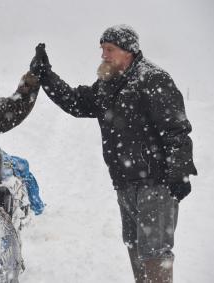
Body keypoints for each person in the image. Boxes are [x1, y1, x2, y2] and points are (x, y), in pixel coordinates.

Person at [30, 25, 197, 282]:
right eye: (102, 50)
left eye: (110, 50)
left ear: (129, 51)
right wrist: (46, 76)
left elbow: (175, 129)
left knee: (154, 252)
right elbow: (77, 102)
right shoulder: (108, 85)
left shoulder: (152, 79)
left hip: (156, 182)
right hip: (124, 183)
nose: (104, 55)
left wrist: (180, 171)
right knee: (134, 245)